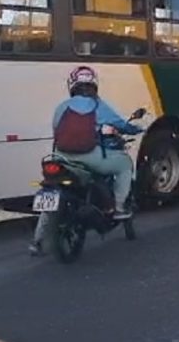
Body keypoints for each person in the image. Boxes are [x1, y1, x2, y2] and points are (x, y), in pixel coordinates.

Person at [29, 66, 142, 256]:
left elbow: (57, 129)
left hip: (61, 157)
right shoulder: (98, 105)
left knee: (51, 193)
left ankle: (37, 241)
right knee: (124, 164)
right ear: (93, 84)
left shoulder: (62, 106)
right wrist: (136, 129)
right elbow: (121, 125)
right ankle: (121, 207)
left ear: (72, 85)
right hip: (89, 156)